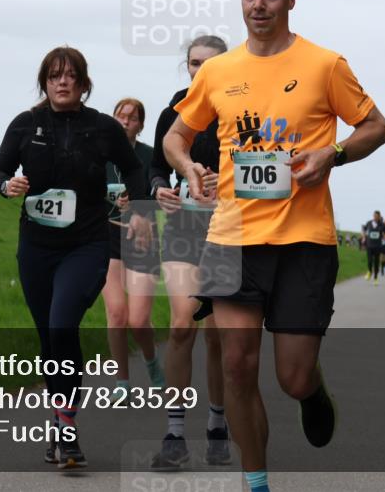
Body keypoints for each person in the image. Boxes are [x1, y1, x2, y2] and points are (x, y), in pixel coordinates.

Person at [163, 0, 385, 492]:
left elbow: (376, 126)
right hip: (231, 239)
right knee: (238, 367)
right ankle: (256, 482)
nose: (257, 6)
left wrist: (331, 154)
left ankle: (312, 391)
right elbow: (175, 136)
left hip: (303, 242)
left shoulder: (324, 64)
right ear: (240, 1)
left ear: (291, 0)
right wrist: (188, 166)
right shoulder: (219, 72)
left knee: (290, 376)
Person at [0, 46, 153, 469]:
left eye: (71, 76)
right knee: (49, 337)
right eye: (55, 75)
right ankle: (60, 423)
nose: (63, 82)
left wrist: (137, 205)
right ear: (44, 81)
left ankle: (66, 429)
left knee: (63, 324)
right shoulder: (26, 124)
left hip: (87, 243)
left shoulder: (101, 127)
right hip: (37, 248)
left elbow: (133, 169)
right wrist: (7, 186)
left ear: (83, 83)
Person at [148, 35, 230, 469]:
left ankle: (217, 425)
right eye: (194, 63)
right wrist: (159, 188)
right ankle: (175, 434)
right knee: (182, 326)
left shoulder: (239, 108)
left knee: (218, 334)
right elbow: (156, 165)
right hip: (183, 227)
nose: (200, 71)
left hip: (228, 230)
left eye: (210, 64)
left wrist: (227, 184)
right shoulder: (173, 111)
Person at [101, 97, 164, 401]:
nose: (125, 121)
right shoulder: (98, 154)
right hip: (107, 238)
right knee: (116, 313)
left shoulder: (150, 156)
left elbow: (161, 195)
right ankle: (122, 382)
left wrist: (138, 205)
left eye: (132, 117)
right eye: (120, 115)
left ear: (140, 124)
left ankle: (152, 362)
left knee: (138, 320)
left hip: (143, 239)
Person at [362, 210, 385, 286]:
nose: (375, 217)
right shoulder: (369, 223)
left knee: (376, 262)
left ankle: (375, 278)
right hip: (369, 245)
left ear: (379, 216)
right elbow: (364, 229)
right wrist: (363, 236)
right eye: (374, 215)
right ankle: (369, 271)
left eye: (377, 216)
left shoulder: (382, 224)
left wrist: (384, 238)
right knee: (369, 260)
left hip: (378, 246)